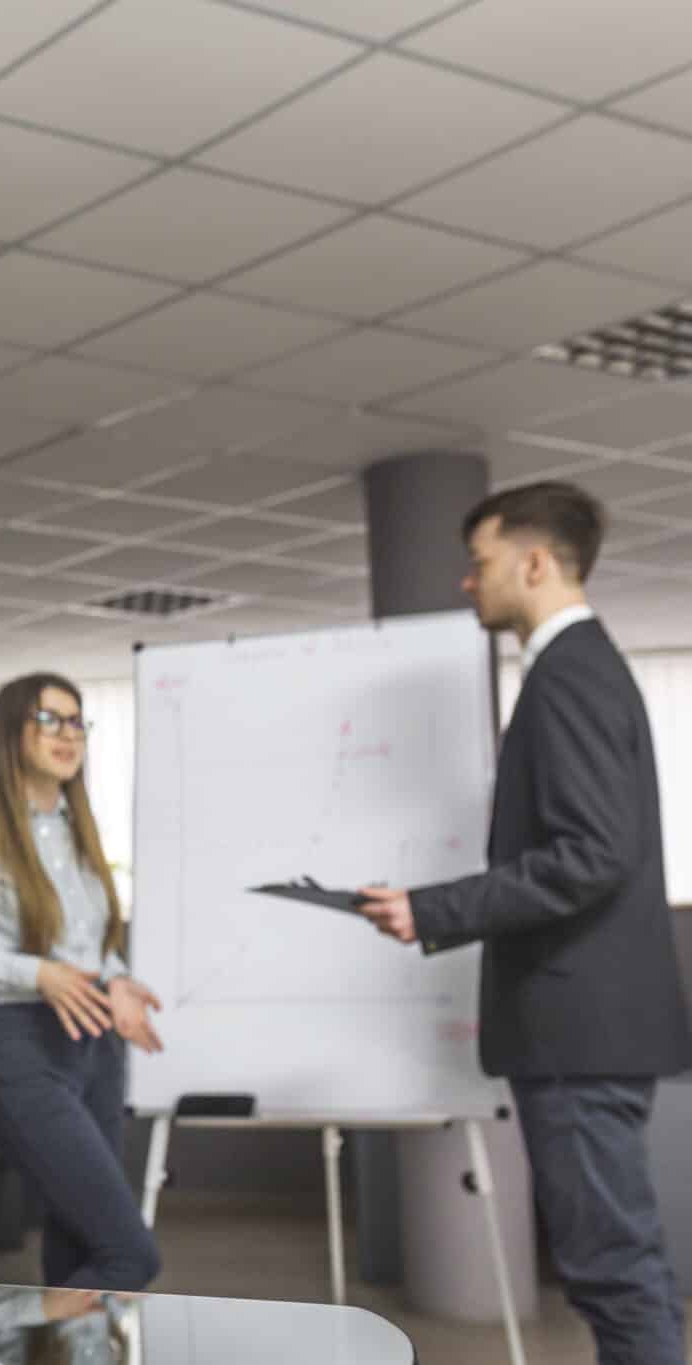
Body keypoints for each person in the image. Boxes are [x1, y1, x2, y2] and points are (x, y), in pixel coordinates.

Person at [357, 481, 692, 1365]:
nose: (469, 583)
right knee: (618, 1266)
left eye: (480, 562)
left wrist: (432, 908)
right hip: (590, 1032)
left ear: (535, 561)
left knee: (613, 1272)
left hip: (580, 1034)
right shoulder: (583, 667)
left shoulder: (569, 673)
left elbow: (590, 853)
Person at [0, 674, 162, 1291]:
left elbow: (91, 946)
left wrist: (117, 980)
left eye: (77, 722)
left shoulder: (78, 829)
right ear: (12, 730)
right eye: (50, 720)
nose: (68, 735)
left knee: (79, 1246)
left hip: (94, 1045)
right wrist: (36, 973)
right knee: (129, 1254)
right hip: (18, 1041)